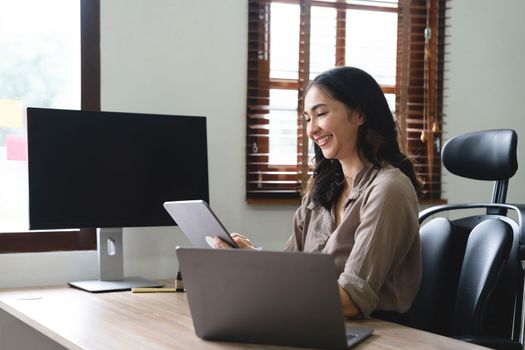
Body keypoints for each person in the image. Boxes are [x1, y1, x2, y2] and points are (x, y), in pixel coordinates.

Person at [215, 66, 421, 320]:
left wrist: (265, 278)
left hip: (378, 332)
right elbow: (290, 272)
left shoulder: (389, 189)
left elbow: (351, 299)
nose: (312, 130)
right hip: (316, 321)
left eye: (321, 114)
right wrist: (250, 260)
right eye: (307, 119)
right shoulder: (321, 192)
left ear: (359, 114)